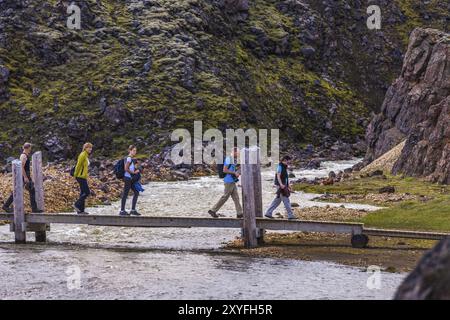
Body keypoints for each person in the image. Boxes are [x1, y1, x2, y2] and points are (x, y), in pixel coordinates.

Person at [2, 143, 43, 213]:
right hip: (24, 176)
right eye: (30, 148)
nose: (30, 149)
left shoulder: (24, 155)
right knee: (23, 191)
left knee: (27, 190)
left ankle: (34, 209)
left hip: (26, 175)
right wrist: (25, 177)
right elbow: (22, 167)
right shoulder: (24, 156)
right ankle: (6, 206)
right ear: (28, 148)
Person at [208, 147, 243, 219]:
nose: (239, 154)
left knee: (236, 198)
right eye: (238, 152)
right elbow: (224, 170)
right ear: (234, 152)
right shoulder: (229, 159)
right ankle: (213, 210)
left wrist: (238, 170)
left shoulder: (233, 159)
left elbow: (233, 168)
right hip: (228, 181)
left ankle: (239, 213)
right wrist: (234, 172)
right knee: (225, 197)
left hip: (232, 181)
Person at [265, 155, 297, 220]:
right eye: (288, 161)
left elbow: (285, 178)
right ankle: (290, 215)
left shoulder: (284, 166)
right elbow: (278, 176)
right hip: (280, 186)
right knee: (286, 200)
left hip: (283, 185)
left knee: (278, 200)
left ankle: (268, 213)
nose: (289, 162)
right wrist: (281, 184)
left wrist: (288, 186)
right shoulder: (280, 166)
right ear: (285, 160)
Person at [119, 145, 141, 216]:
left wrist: (136, 168)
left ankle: (133, 210)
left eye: (135, 150)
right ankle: (122, 211)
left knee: (136, 192)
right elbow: (126, 169)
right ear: (130, 151)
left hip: (130, 178)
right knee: (125, 194)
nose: (135, 152)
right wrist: (134, 172)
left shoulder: (131, 158)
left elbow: (131, 167)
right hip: (127, 178)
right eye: (134, 150)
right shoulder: (128, 158)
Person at [73, 143, 93, 215]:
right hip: (80, 176)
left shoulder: (86, 155)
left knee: (82, 193)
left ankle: (81, 210)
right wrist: (75, 175)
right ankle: (77, 204)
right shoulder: (82, 155)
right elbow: (78, 165)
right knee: (87, 192)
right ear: (85, 148)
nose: (90, 149)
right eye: (89, 148)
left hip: (83, 176)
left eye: (91, 148)